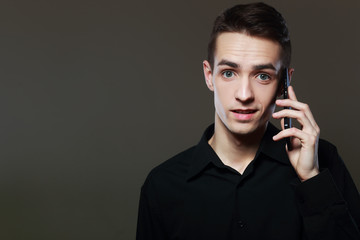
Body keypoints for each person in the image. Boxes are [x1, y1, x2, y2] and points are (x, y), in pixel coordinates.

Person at [136, 2, 360, 240]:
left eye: (262, 76)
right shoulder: (162, 185)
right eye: (229, 73)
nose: (244, 95)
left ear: (284, 83)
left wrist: (312, 179)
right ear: (209, 76)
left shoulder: (324, 163)